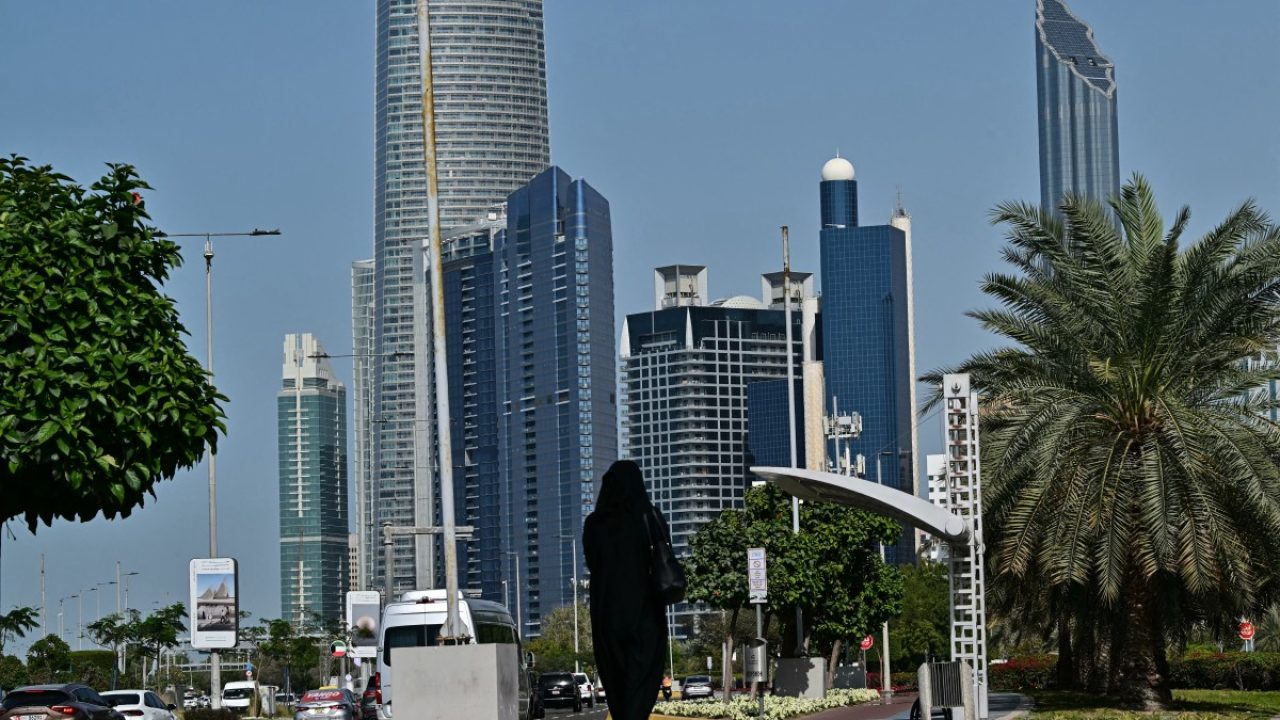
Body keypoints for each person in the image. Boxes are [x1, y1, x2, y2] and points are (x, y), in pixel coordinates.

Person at [585, 460, 669, 720]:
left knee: (616, 681)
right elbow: (664, 557)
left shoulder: (594, 523)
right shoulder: (649, 516)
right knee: (641, 681)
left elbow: (592, 563)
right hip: (644, 614)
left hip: (607, 615)